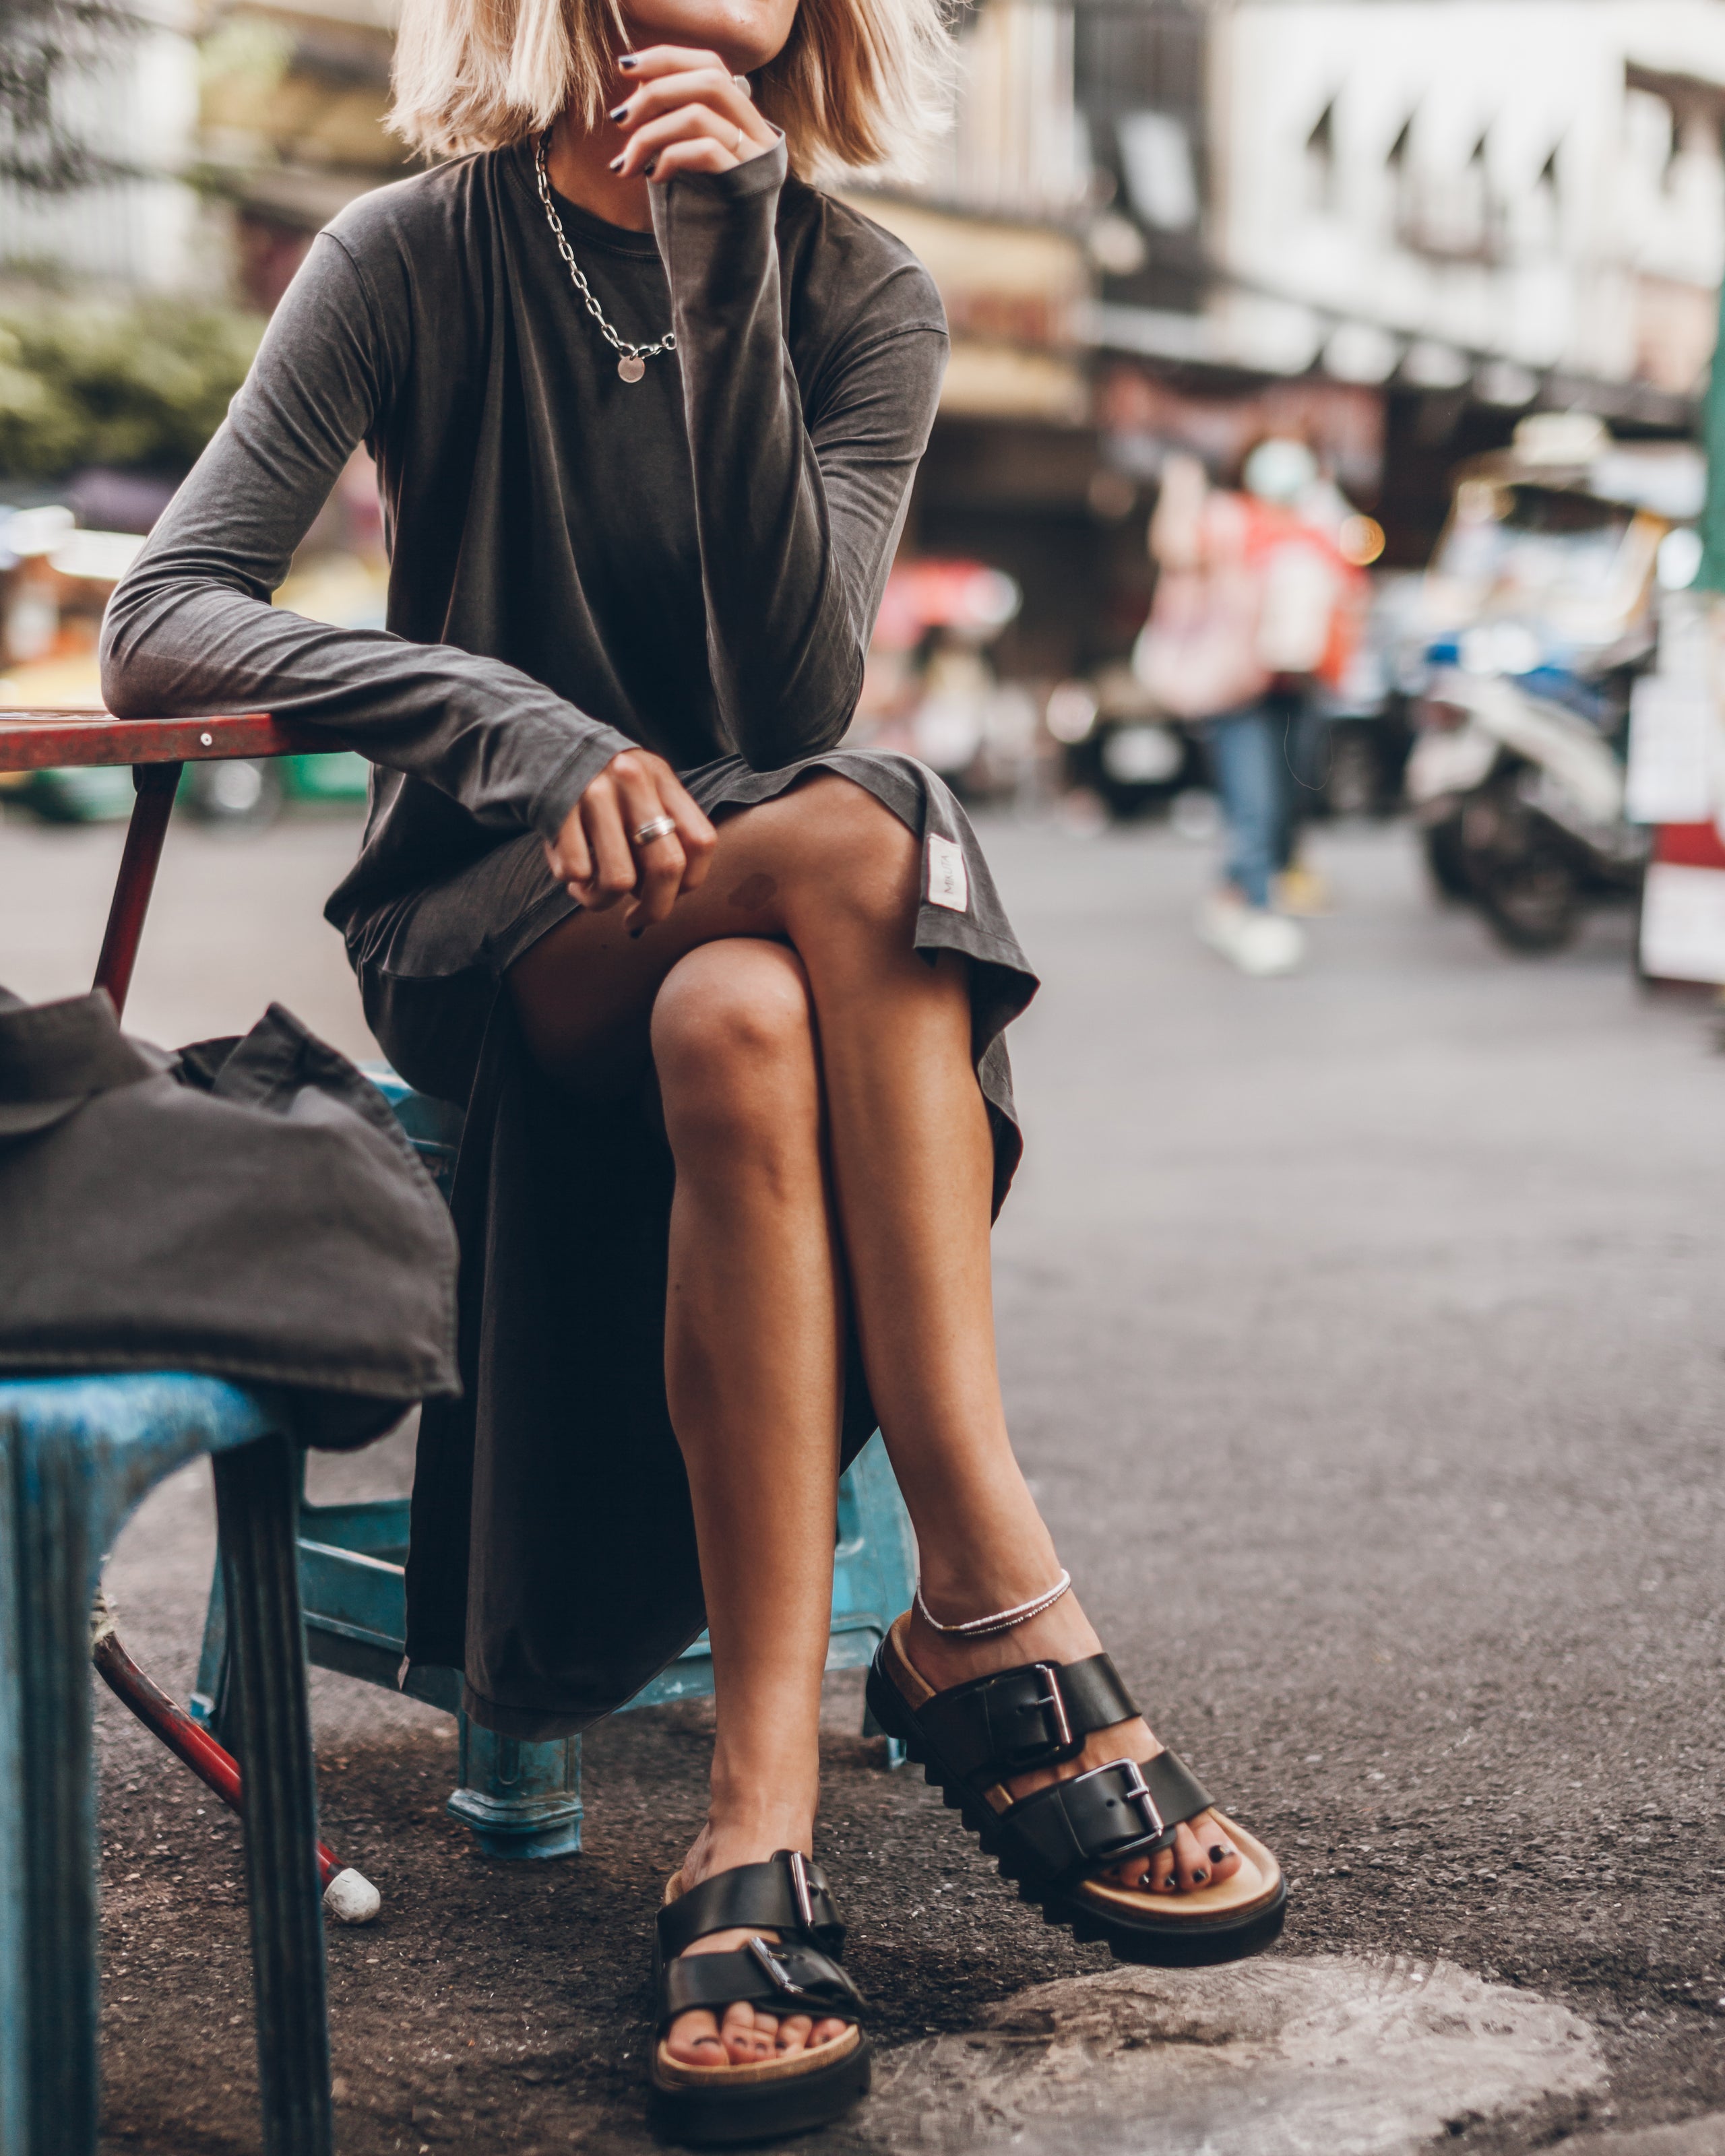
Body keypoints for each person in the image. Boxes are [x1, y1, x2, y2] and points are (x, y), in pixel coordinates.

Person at [100, 0, 1285, 2134]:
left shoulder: (858, 289)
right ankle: (989, 1598)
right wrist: (503, 720)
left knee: (751, 992)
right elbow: (164, 612)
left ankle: (758, 1803)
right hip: (494, 907)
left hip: (773, 927)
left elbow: (786, 673)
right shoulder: (414, 250)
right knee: (879, 824)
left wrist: (729, 259)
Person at [1137, 441, 1360, 977]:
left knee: (1290, 798)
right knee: (1254, 801)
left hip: (1302, 683)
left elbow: (1348, 590)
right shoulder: (1229, 516)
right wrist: (1181, 486)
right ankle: (1257, 910)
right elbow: (1173, 546)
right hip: (1239, 685)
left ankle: (1236, 893)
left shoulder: (1320, 524)